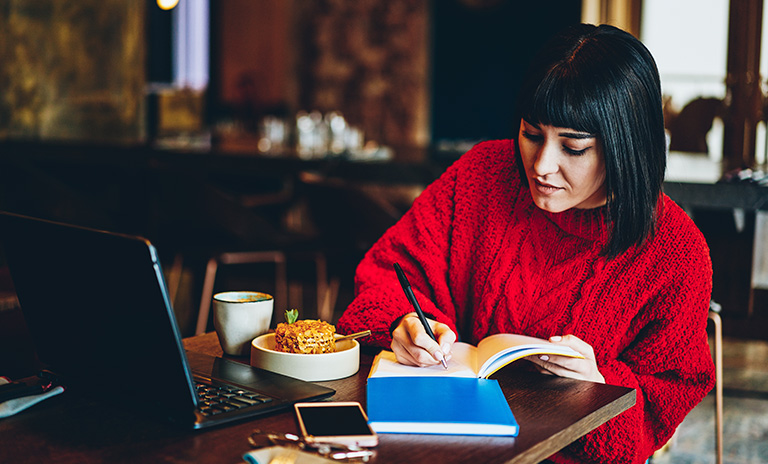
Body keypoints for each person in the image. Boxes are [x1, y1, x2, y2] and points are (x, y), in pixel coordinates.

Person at [337, 23, 715, 464]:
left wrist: (597, 384)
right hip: (439, 435)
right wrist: (405, 323)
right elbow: (387, 275)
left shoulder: (675, 252)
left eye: (572, 147)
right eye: (531, 134)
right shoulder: (483, 174)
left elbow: (658, 407)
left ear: (624, 147)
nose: (541, 165)